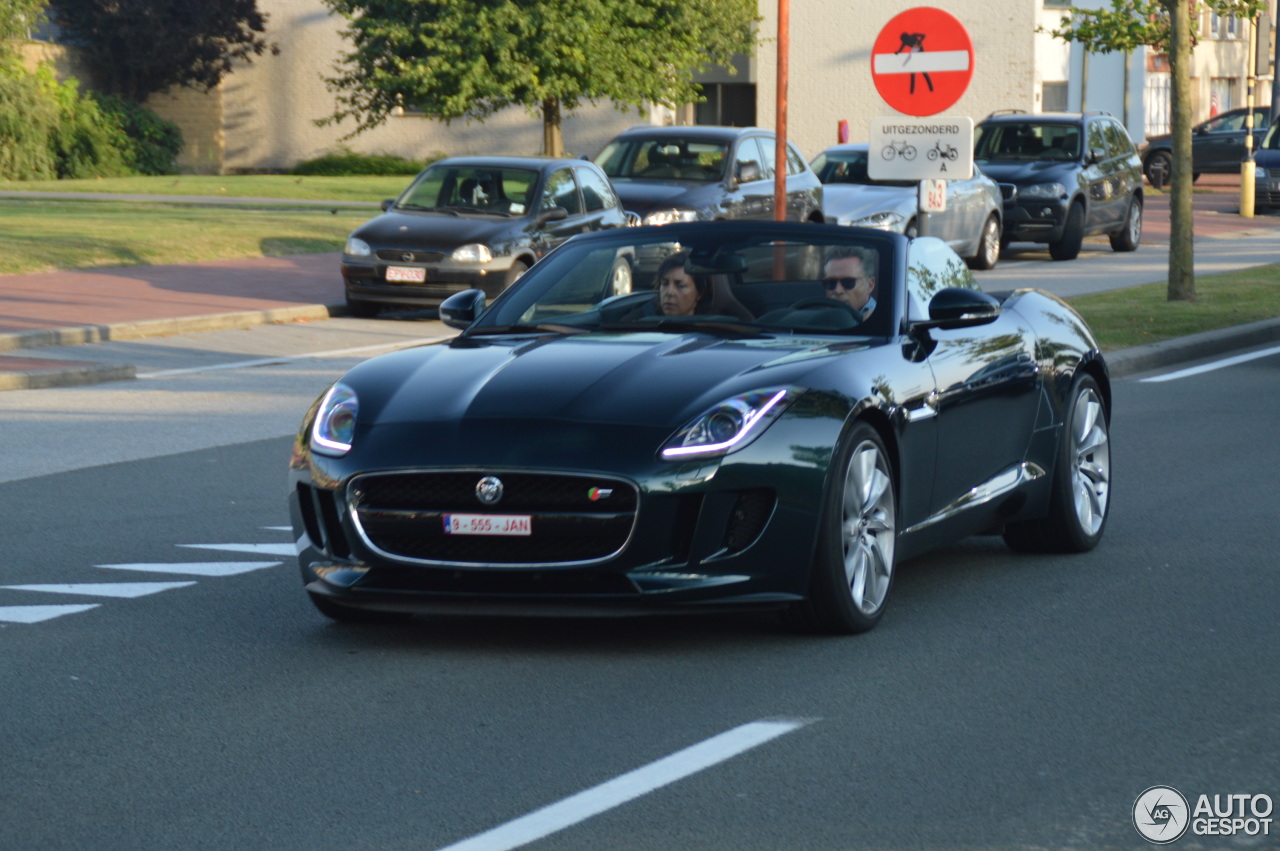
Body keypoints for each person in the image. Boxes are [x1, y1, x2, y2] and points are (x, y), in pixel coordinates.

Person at [823, 246, 877, 320]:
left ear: (870, 285)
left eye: (848, 282)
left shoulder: (884, 320)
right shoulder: (820, 318)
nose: (838, 291)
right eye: (831, 282)